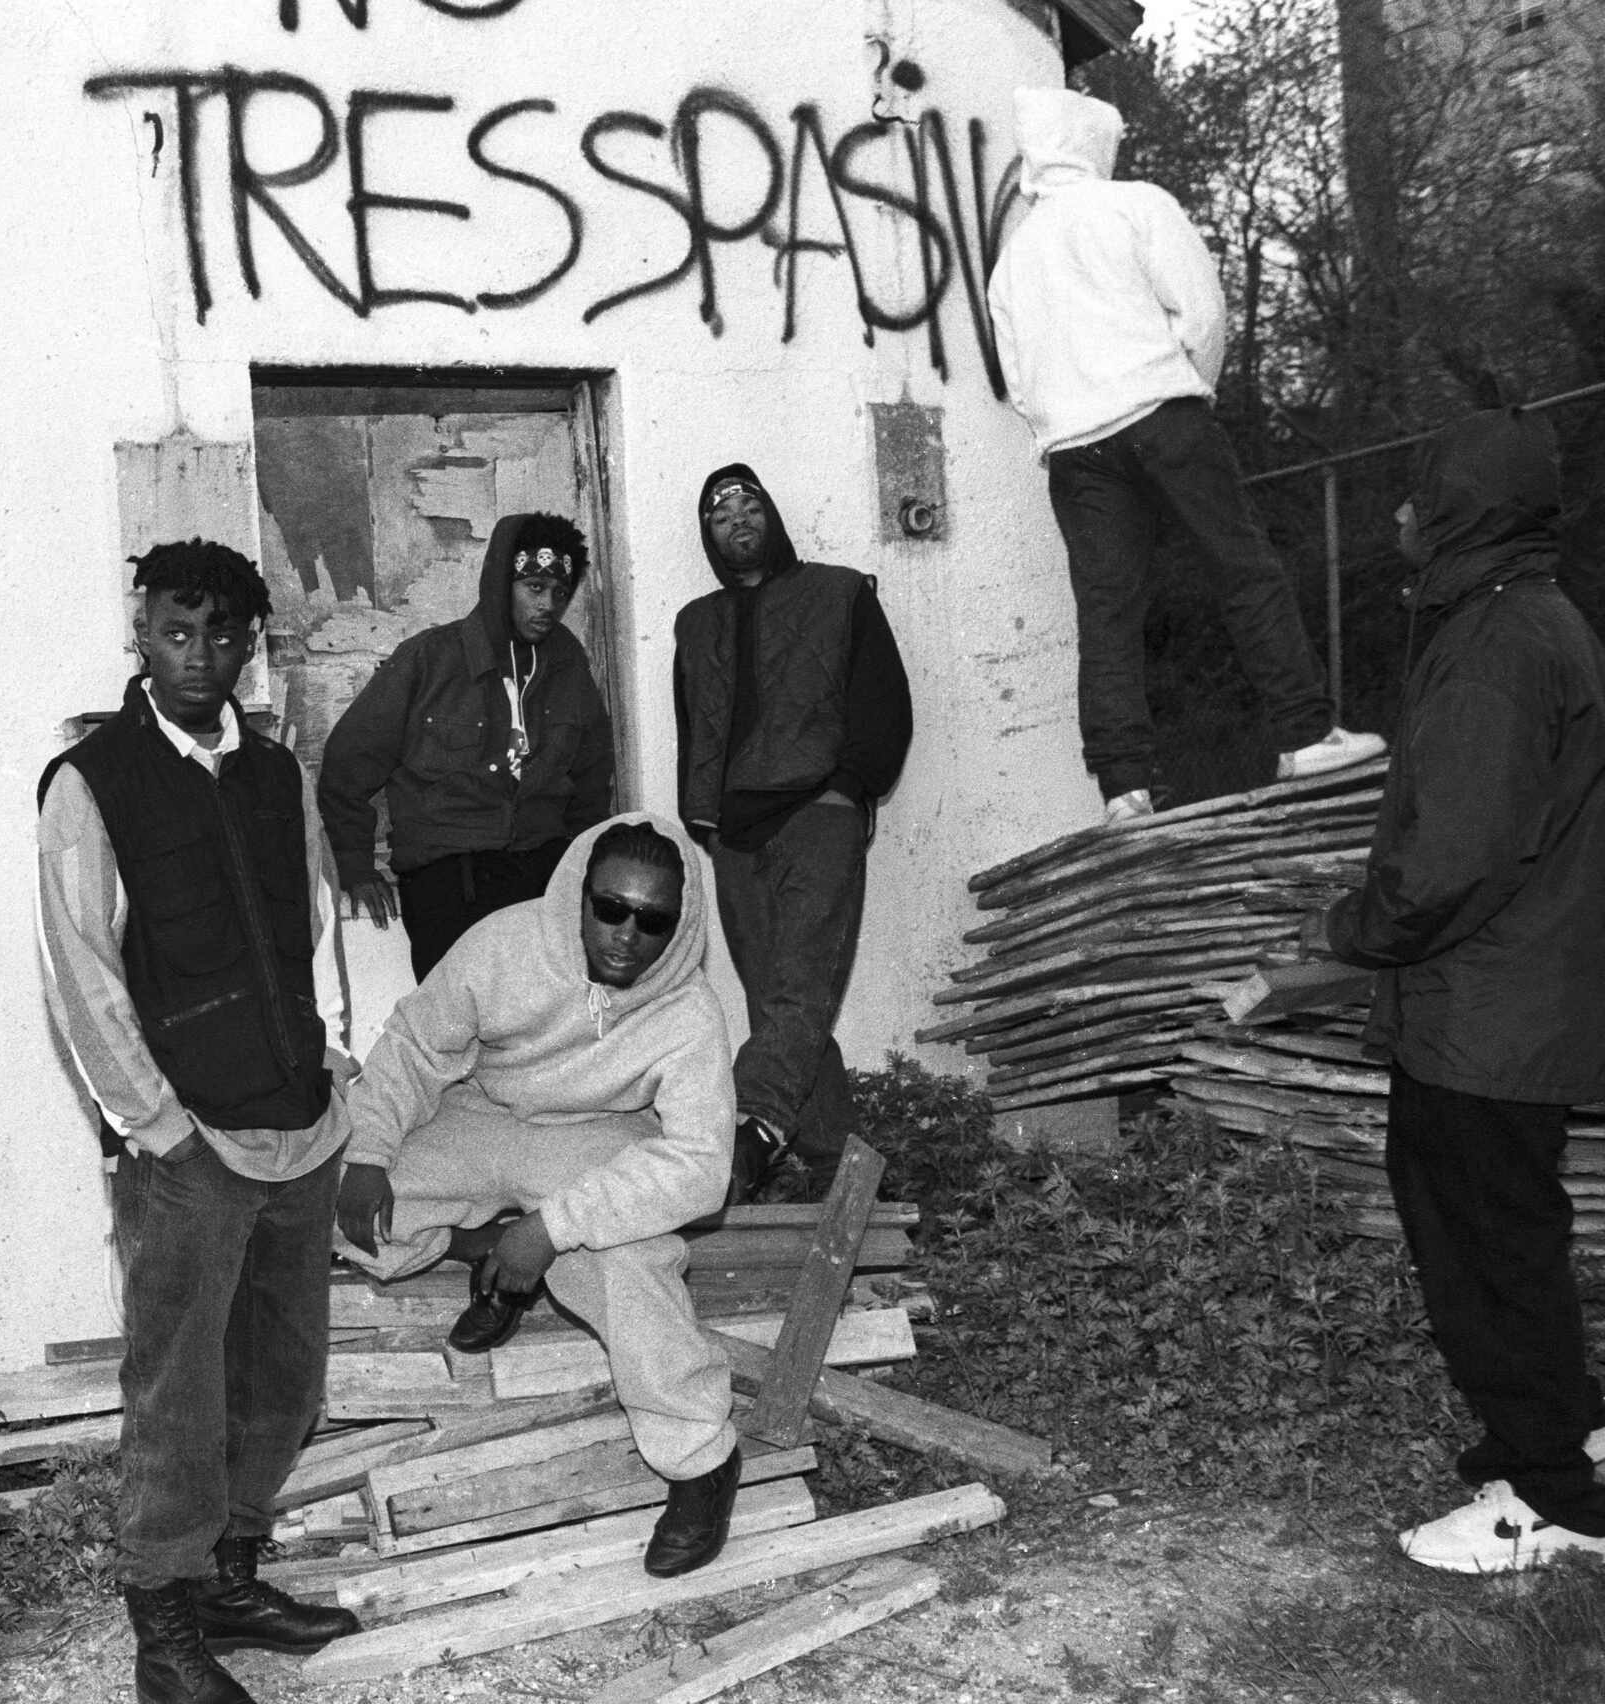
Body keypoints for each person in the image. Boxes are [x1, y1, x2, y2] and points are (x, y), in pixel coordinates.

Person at [36, 540, 363, 1704]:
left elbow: (318, 924)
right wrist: (151, 1127)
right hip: (189, 1145)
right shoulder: (92, 780)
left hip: (297, 1127)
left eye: (225, 636)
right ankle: (165, 1640)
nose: (201, 656)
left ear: (250, 645)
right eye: (178, 633)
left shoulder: (278, 774)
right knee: (176, 1395)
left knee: (283, 1377)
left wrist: (334, 1065)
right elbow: (77, 969)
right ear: (141, 635)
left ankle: (232, 1575)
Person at [1305, 410, 1605, 1572]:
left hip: (1483, 1010)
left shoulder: (1491, 647)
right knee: (1514, 1232)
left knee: (1483, 1245)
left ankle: (1548, 1501)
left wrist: (1351, 927)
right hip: (1516, 996)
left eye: (1415, 494)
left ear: (1460, 512)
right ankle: (1561, 1434)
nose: (1394, 515)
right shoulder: (1535, 619)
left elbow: (1453, 861)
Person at [335, 814, 743, 1579]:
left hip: (596, 1138)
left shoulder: (689, 1012)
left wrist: (556, 1227)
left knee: (628, 1259)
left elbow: (698, 1166)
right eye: (609, 907)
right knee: (337, 1204)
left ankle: (701, 1460)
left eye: (653, 920)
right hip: (485, 1116)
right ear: (579, 895)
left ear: (680, 925)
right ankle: (490, 1250)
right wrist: (367, 1150)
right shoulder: (503, 943)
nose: (626, 934)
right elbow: (418, 1047)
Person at [987, 86, 1383, 824]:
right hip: (1162, 415)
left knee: (1108, 616)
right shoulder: (1135, 204)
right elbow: (1201, 312)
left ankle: (1123, 789)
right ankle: (1303, 734)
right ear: (1091, 142)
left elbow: (1017, 382)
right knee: (1243, 569)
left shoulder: (1013, 260)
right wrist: (1187, 389)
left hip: (1077, 451)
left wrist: (1066, 423)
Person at [672, 464, 910, 1199]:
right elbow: (691, 725)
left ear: (771, 515)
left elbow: (886, 706)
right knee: (781, 998)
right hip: (736, 831)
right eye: (719, 512)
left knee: (798, 991)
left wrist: (846, 787)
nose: (736, 517)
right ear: (710, 537)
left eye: (748, 503)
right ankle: (838, 1167)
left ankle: (748, 1130)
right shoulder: (697, 621)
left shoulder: (839, 592)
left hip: (819, 815)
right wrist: (701, 819)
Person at [319, 512, 616, 980]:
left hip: (541, 875)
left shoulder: (568, 664)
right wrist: (356, 865)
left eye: (560, 593)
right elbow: (346, 764)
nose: (549, 605)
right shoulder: (429, 660)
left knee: (542, 1031)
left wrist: (578, 870)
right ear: (502, 584)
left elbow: (593, 781)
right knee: (456, 1030)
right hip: (448, 880)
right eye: (534, 588)